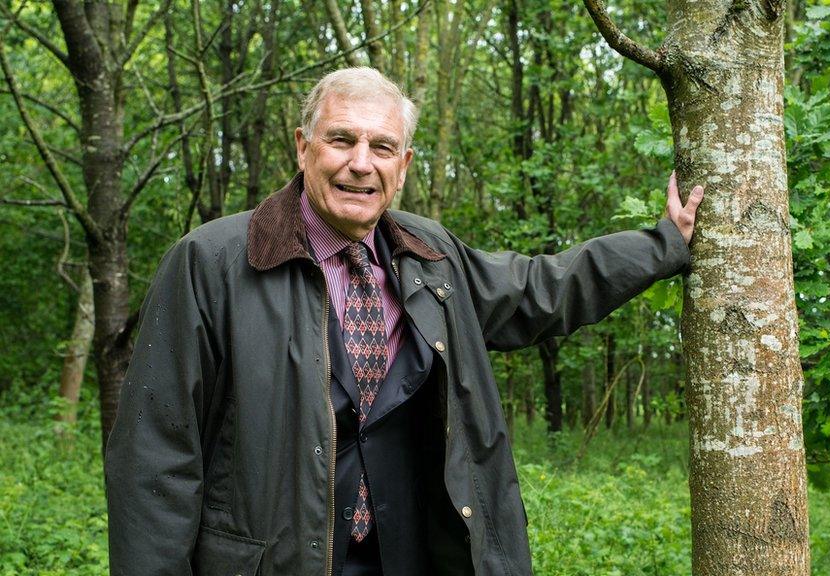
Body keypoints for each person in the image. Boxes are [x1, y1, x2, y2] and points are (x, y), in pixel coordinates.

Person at [104, 67, 703, 576]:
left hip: (412, 554)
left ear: (405, 163)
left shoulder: (428, 253)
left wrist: (662, 246)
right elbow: (156, 457)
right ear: (302, 147)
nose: (361, 164)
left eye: (382, 147)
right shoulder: (212, 263)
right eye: (341, 140)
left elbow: (537, 291)